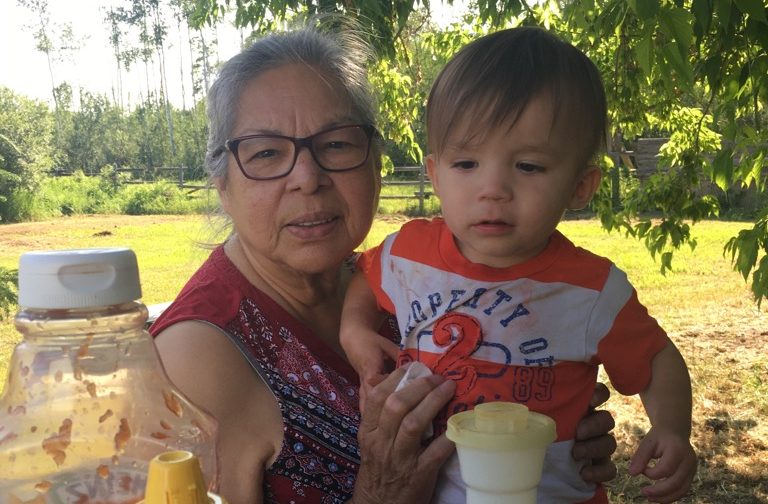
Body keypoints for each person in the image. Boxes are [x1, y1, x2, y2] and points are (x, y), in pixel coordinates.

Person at [150, 23, 620, 504]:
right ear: (223, 184)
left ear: (376, 163)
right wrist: (381, 493)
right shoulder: (196, 356)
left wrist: (551, 444)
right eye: (266, 153)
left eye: (336, 144)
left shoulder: (401, 284)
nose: (308, 178)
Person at [340, 26, 697, 504]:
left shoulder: (590, 289)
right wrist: (356, 332)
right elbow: (366, 278)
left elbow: (655, 359)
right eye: (466, 164)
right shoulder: (409, 252)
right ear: (435, 176)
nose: (493, 189)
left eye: (528, 166)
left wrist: (673, 430)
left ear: (580, 186)